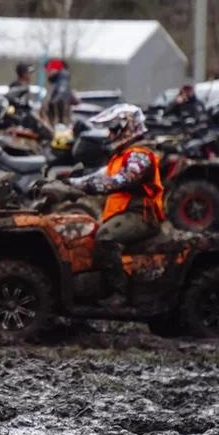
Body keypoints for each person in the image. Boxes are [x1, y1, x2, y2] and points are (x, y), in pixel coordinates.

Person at [69, 104, 165, 306]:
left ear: (127, 128)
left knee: (105, 237)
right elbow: (98, 176)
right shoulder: (122, 156)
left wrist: (85, 186)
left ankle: (119, 293)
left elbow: (122, 180)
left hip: (142, 216)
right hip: (126, 213)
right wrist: (66, 184)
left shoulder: (139, 155)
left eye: (114, 129)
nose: (110, 134)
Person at [44, 59, 75, 126]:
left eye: (49, 70)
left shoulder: (61, 82)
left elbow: (60, 99)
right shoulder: (59, 82)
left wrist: (52, 102)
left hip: (59, 124)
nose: (47, 72)